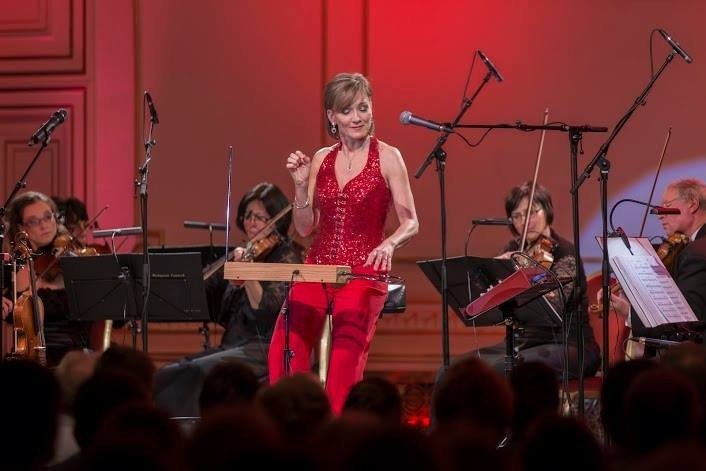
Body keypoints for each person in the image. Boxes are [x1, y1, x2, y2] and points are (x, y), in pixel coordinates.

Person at [268, 72, 419, 413]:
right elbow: (306, 229)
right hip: (318, 267)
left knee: (344, 364)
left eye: (363, 108)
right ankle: (289, 427)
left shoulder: (389, 157)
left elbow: (411, 221)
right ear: (332, 117)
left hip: (363, 273)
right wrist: (301, 187)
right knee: (284, 348)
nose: (357, 117)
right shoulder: (321, 158)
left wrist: (389, 244)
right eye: (348, 111)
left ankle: (337, 440)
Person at [154, 182, 302, 417]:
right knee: (171, 371)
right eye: (248, 215)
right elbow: (205, 294)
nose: (252, 222)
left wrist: (249, 274)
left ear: (277, 220)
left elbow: (267, 312)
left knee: (196, 372)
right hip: (234, 344)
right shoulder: (244, 253)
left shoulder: (286, 257)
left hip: (263, 347)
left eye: (262, 217)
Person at [462, 182, 600, 379]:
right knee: (452, 370)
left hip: (568, 345)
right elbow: (488, 300)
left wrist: (522, 275)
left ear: (547, 211)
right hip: (522, 344)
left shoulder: (565, 253)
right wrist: (492, 273)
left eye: (532, 212)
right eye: (517, 216)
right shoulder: (513, 249)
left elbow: (552, 309)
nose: (526, 221)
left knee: (501, 369)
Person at [605, 178, 706, 339]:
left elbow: (688, 323)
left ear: (692, 204)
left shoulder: (697, 252)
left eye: (666, 206)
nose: (660, 215)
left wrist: (628, 312)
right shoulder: (694, 246)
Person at [4, 191, 91, 365]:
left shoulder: (71, 259)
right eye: (34, 221)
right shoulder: (16, 267)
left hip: (78, 356)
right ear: (21, 228)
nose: (45, 225)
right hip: (34, 357)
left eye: (48, 217)